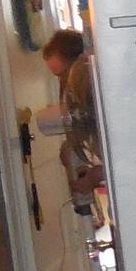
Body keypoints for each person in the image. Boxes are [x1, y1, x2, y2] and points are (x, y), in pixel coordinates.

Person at [41, 29, 104, 200]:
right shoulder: (82, 103)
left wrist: (96, 176)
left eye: (62, 74)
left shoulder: (99, 92)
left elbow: (127, 154)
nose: (62, 83)